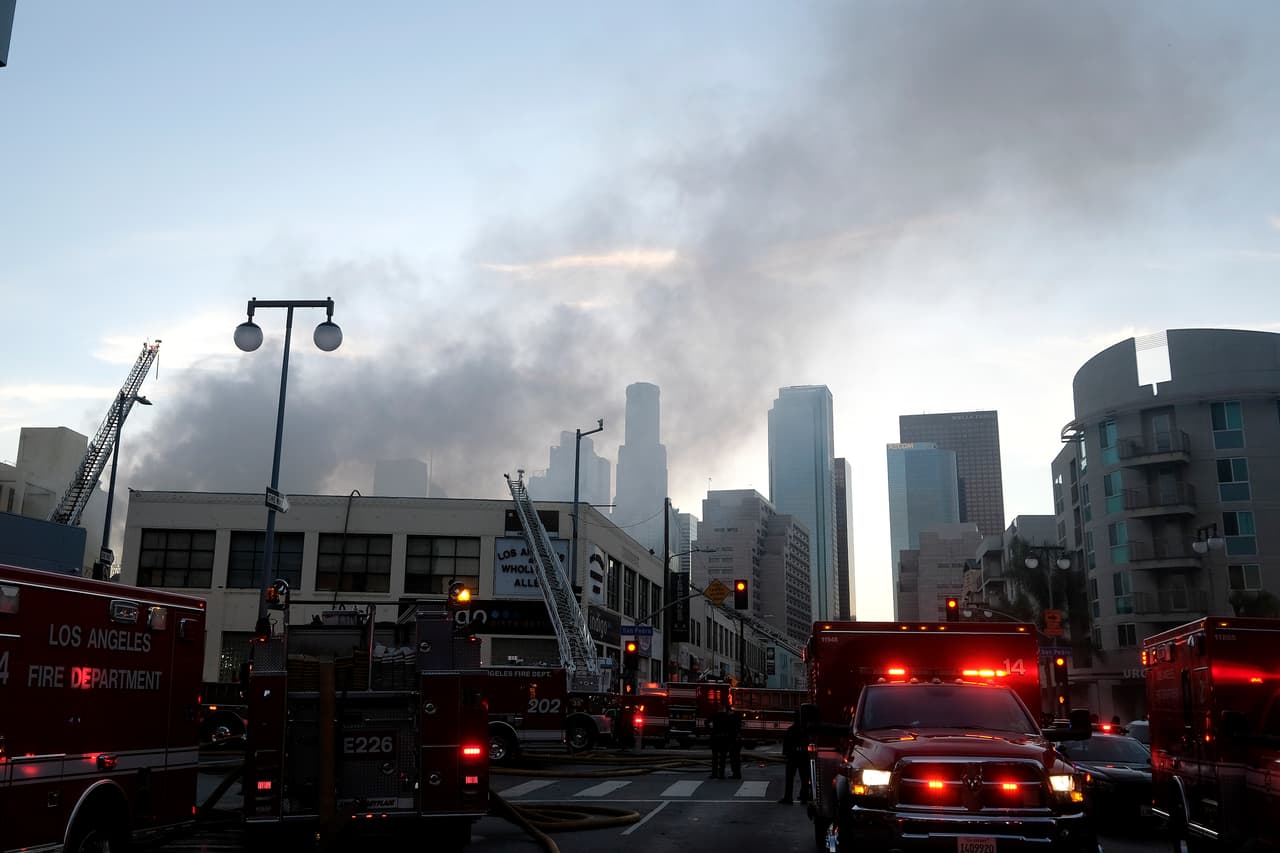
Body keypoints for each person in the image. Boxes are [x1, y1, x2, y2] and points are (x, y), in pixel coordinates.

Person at [778, 709, 812, 804]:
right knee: (804, 777)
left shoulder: (791, 730)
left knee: (790, 778)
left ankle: (788, 797)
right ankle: (804, 796)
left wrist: (786, 755)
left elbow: (786, 744)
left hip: (792, 756)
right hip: (803, 755)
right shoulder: (806, 731)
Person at [709, 701, 733, 778]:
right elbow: (731, 728)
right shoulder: (728, 717)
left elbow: (706, 722)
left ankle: (714, 773)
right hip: (724, 739)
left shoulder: (714, 715)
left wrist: (711, 729)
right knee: (723, 758)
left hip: (715, 739)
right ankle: (721, 774)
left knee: (715, 757)